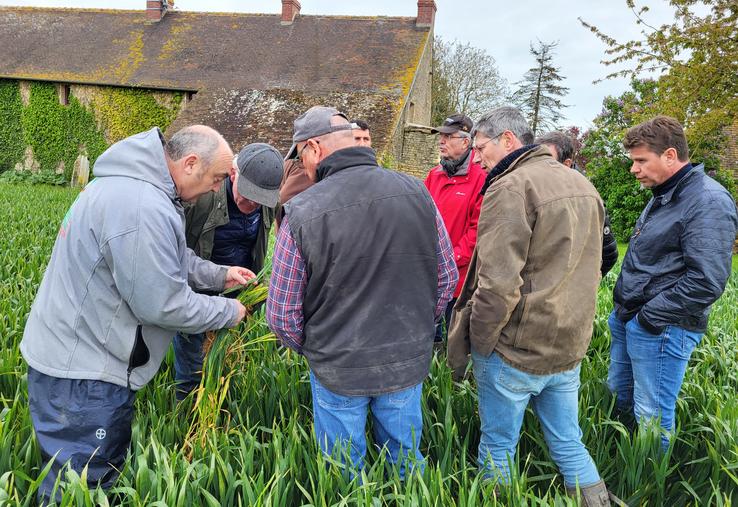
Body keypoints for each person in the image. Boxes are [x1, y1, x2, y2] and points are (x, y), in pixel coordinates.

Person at [20, 125, 253, 502]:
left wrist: (221, 274)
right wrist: (229, 311)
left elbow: (171, 260)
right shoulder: (142, 206)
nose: (217, 189)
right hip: (84, 376)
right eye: (216, 178)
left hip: (76, 359)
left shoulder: (138, 189)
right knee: (81, 488)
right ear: (190, 163)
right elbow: (164, 303)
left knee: (81, 478)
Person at [267, 106, 457, 478]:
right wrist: (416, 329)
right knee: (406, 465)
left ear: (314, 149)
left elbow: (281, 314)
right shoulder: (417, 191)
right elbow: (447, 278)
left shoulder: (301, 212)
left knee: (343, 474)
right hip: (405, 358)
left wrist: (318, 348)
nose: (302, 166)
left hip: (337, 366)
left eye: (300, 156)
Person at [448, 107, 619, 506]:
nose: (476, 157)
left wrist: (482, 344)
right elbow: (596, 265)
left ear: (508, 140)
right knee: (568, 442)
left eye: (480, 146)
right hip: (568, 346)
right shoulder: (582, 185)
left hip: (515, 349)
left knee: (498, 448)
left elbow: (497, 285)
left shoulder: (510, 188)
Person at [607, 116, 738, 451]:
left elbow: (706, 281)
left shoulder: (707, 201)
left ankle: (651, 483)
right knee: (619, 396)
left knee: (652, 413)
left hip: (663, 328)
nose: (633, 170)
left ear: (669, 155)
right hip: (630, 317)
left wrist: (648, 319)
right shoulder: (665, 192)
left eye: (640, 161)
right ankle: (621, 459)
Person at [173, 142, 283, 400]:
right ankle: (188, 416)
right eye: (247, 194)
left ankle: (221, 409)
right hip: (199, 292)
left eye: (260, 199)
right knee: (193, 367)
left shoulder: (270, 204)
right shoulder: (201, 198)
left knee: (226, 361)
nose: (253, 203)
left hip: (239, 293)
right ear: (233, 174)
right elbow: (176, 253)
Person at [424, 113, 486, 344]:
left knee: (455, 341)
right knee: (429, 337)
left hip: (460, 280)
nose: (442, 141)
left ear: (465, 141)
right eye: (441, 136)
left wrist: (449, 259)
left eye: (448, 137)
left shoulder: (480, 178)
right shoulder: (434, 176)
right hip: (429, 275)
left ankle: (452, 379)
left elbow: (477, 231)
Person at [535, 130, 619, 276]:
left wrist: (584, 284)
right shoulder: (535, 190)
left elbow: (608, 253)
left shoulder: (588, 198)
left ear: (566, 164)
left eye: (547, 160)